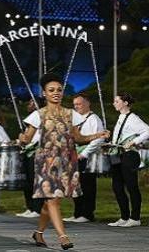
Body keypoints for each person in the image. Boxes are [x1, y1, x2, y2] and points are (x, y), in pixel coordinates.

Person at [19, 73, 109, 250]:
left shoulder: (71, 114)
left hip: (67, 161)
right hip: (45, 162)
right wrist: (22, 138)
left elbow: (78, 138)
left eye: (59, 90)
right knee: (52, 199)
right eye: (51, 90)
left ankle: (39, 233)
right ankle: (63, 237)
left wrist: (98, 135)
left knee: (54, 201)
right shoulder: (38, 115)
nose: (56, 93)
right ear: (44, 93)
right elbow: (27, 138)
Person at [107, 92, 149, 228]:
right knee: (117, 186)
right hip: (118, 155)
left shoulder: (133, 118)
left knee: (131, 186)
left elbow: (147, 130)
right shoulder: (120, 117)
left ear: (125, 103)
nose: (114, 103)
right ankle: (124, 217)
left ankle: (135, 218)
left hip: (129, 155)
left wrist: (134, 142)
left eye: (117, 101)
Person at [64, 93, 105, 223]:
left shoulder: (94, 119)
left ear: (88, 103)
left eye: (79, 104)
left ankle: (87, 214)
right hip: (74, 154)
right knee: (75, 185)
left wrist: (85, 153)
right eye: (75, 104)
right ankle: (77, 213)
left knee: (87, 185)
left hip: (87, 157)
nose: (77, 107)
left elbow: (99, 138)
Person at [16, 98, 43, 219]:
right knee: (27, 182)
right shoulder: (31, 119)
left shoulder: (39, 115)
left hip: (35, 153)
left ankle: (37, 209)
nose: (29, 104)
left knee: (35, 182)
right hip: (27, 153)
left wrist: (22, 138)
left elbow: (29, 138)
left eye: (32, 102)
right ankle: (30, 207)